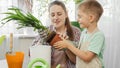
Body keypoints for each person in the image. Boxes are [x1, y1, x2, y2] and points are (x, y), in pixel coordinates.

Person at [54, 0, 105, 68]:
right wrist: (67, 42)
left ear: (91, 18)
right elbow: (78, 47)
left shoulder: (98, 35)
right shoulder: (84, 33)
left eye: (80, 16)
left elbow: (87, 57)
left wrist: (68, 45)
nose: (77, 20)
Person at [32, 0, 81, 68]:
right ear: (49, 16)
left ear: (66, 14)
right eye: (52, 15)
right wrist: (41, 41)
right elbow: (31, 54)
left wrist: (66, 47)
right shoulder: (45, 31)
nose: (56, 18)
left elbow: (78, 61)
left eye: (59, 14)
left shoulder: (76, 32)